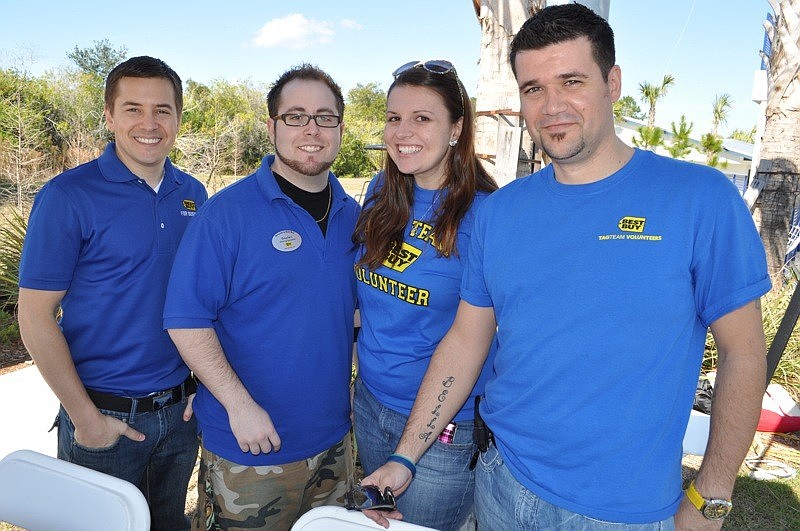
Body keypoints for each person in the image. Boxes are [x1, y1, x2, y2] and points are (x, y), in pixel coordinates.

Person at [362, 4, 770, 530]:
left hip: (625, 512)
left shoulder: (699, 200)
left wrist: (710, 496)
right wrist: (406, 455)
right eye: (533, 88)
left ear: (613, 82)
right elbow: (466, 341)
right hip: (502, 484)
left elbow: (744, 354)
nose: (551, 106)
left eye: (571, 81)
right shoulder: (502, 213)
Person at [164, 64, 360, 530]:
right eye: (295, 116)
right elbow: (186, 321)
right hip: (250, 448)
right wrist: (238, 404)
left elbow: (350, 316)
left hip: (335, 444)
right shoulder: (225, 215)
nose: (311, 129)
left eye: (324, 117)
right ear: (271, 127)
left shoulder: (357, 215)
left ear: (340, 129)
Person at [17, 56, 207, 530]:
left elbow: (204, 301)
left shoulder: (194, 194)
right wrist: (85, 419)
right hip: (102, 418)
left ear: (179, 118)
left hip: (181, 416)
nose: (149, 123)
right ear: (108, 115)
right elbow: (35, 316)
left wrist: (202, 384)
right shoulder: (68, 196)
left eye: (162, 110)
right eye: (133, 109)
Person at [352, 60, 498, 530]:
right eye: (394, 118)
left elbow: (475, 339)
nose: (402, 132)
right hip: (369, 404)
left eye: (422, 118)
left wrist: (409, 454)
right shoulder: (382, 191)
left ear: (456, 128)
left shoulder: (486, 217)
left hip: (440, 431)